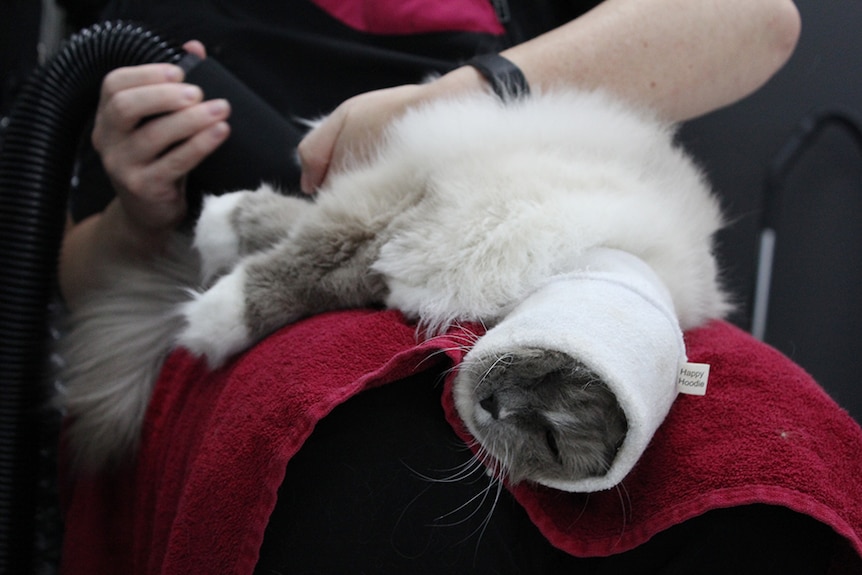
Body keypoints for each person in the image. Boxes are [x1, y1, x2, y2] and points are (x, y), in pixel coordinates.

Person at [56, 1, 844, 573]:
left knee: (778, 459)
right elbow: (71, 271)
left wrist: (455, 101)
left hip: (543, 209)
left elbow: (758, 16)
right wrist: (136, 214)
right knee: (367, 463)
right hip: (288, 255)